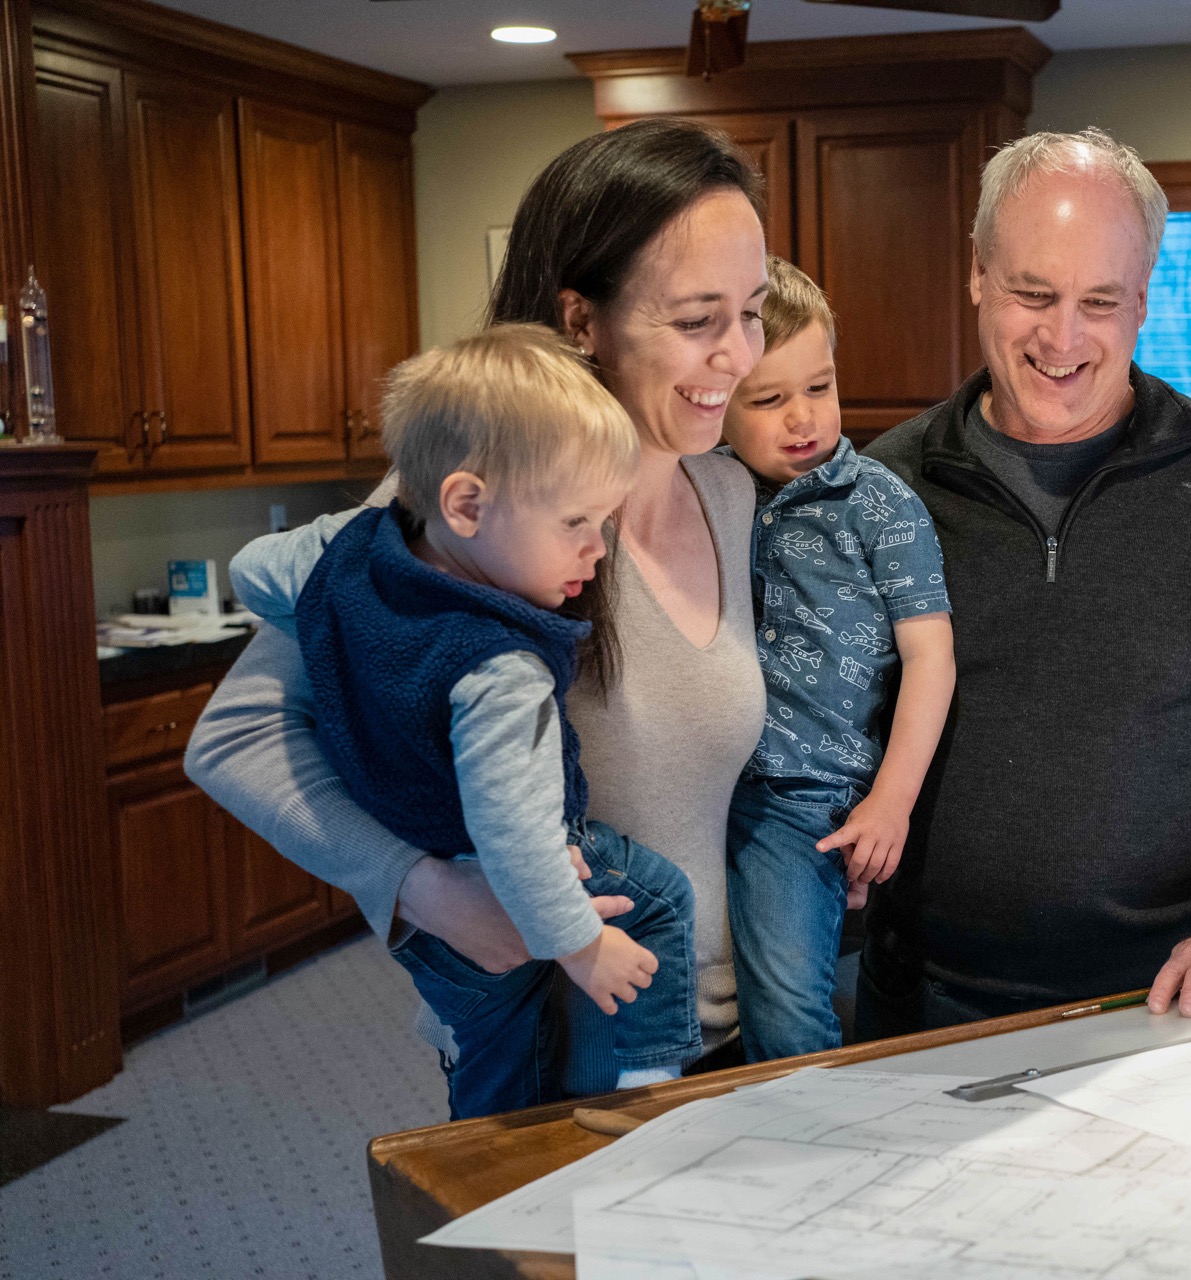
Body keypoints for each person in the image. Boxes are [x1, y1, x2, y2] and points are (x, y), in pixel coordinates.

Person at [187, 118, 770, 1104]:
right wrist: (424, 889)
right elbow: (232, 739)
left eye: (753, 312)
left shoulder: (730, 492)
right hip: (549, 1040)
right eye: (697, 319)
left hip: (713, 1030)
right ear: (582, 318)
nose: (739, 355)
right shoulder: (466, 512)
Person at [859, 128, 1191, 1035]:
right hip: (921, 1002)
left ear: (1142, 300)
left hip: (1173, 996)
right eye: (1033, 293)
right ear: (978, 273)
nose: (1063, 337)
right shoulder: (883, 484)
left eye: (1100, 301)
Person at [225, 326, 702, 1119]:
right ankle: (649, 1085)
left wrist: (328, 610)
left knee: (499, 1057)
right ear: (468, 504)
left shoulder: (343, 551)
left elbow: (249, 569)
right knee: (658, 899)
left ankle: (484, 1162)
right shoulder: (497, 667)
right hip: (507, 871)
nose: (600, 549)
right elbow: (514, 830)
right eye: (578, 523)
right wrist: (584, 947)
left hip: (422, 922)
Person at [717, 258, 956, 1061]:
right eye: (769, 399)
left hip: (803, 799)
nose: (802, 418)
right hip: (699, 781)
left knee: (784, 1009)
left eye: (818, 388)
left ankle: (812, 1157)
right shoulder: (705, 494)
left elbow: (932, 659)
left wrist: (890, 801)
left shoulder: (880, 503)